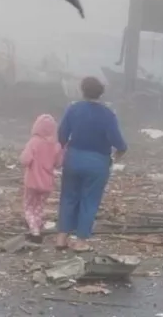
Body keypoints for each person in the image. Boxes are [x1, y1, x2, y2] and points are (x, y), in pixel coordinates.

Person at [56, 77, 127, 251]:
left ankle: (61, 238)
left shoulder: (73, 109)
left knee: (68, 198)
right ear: (101, 92)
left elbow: (62, 135)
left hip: (73, 158)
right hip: (97, 162)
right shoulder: (108, 114)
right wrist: (117, 155)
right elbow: (119, 143)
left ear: (82, 90)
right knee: (90, 200)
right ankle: (80, 241)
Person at [20, 114, 63, 243]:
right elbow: (59, 163)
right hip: (47, 183)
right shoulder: (56, 145)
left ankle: (35, 232)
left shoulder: (34, 142)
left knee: (28, 207)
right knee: (39, 207)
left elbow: (25, 160)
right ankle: (37, 226)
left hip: (32, 182)